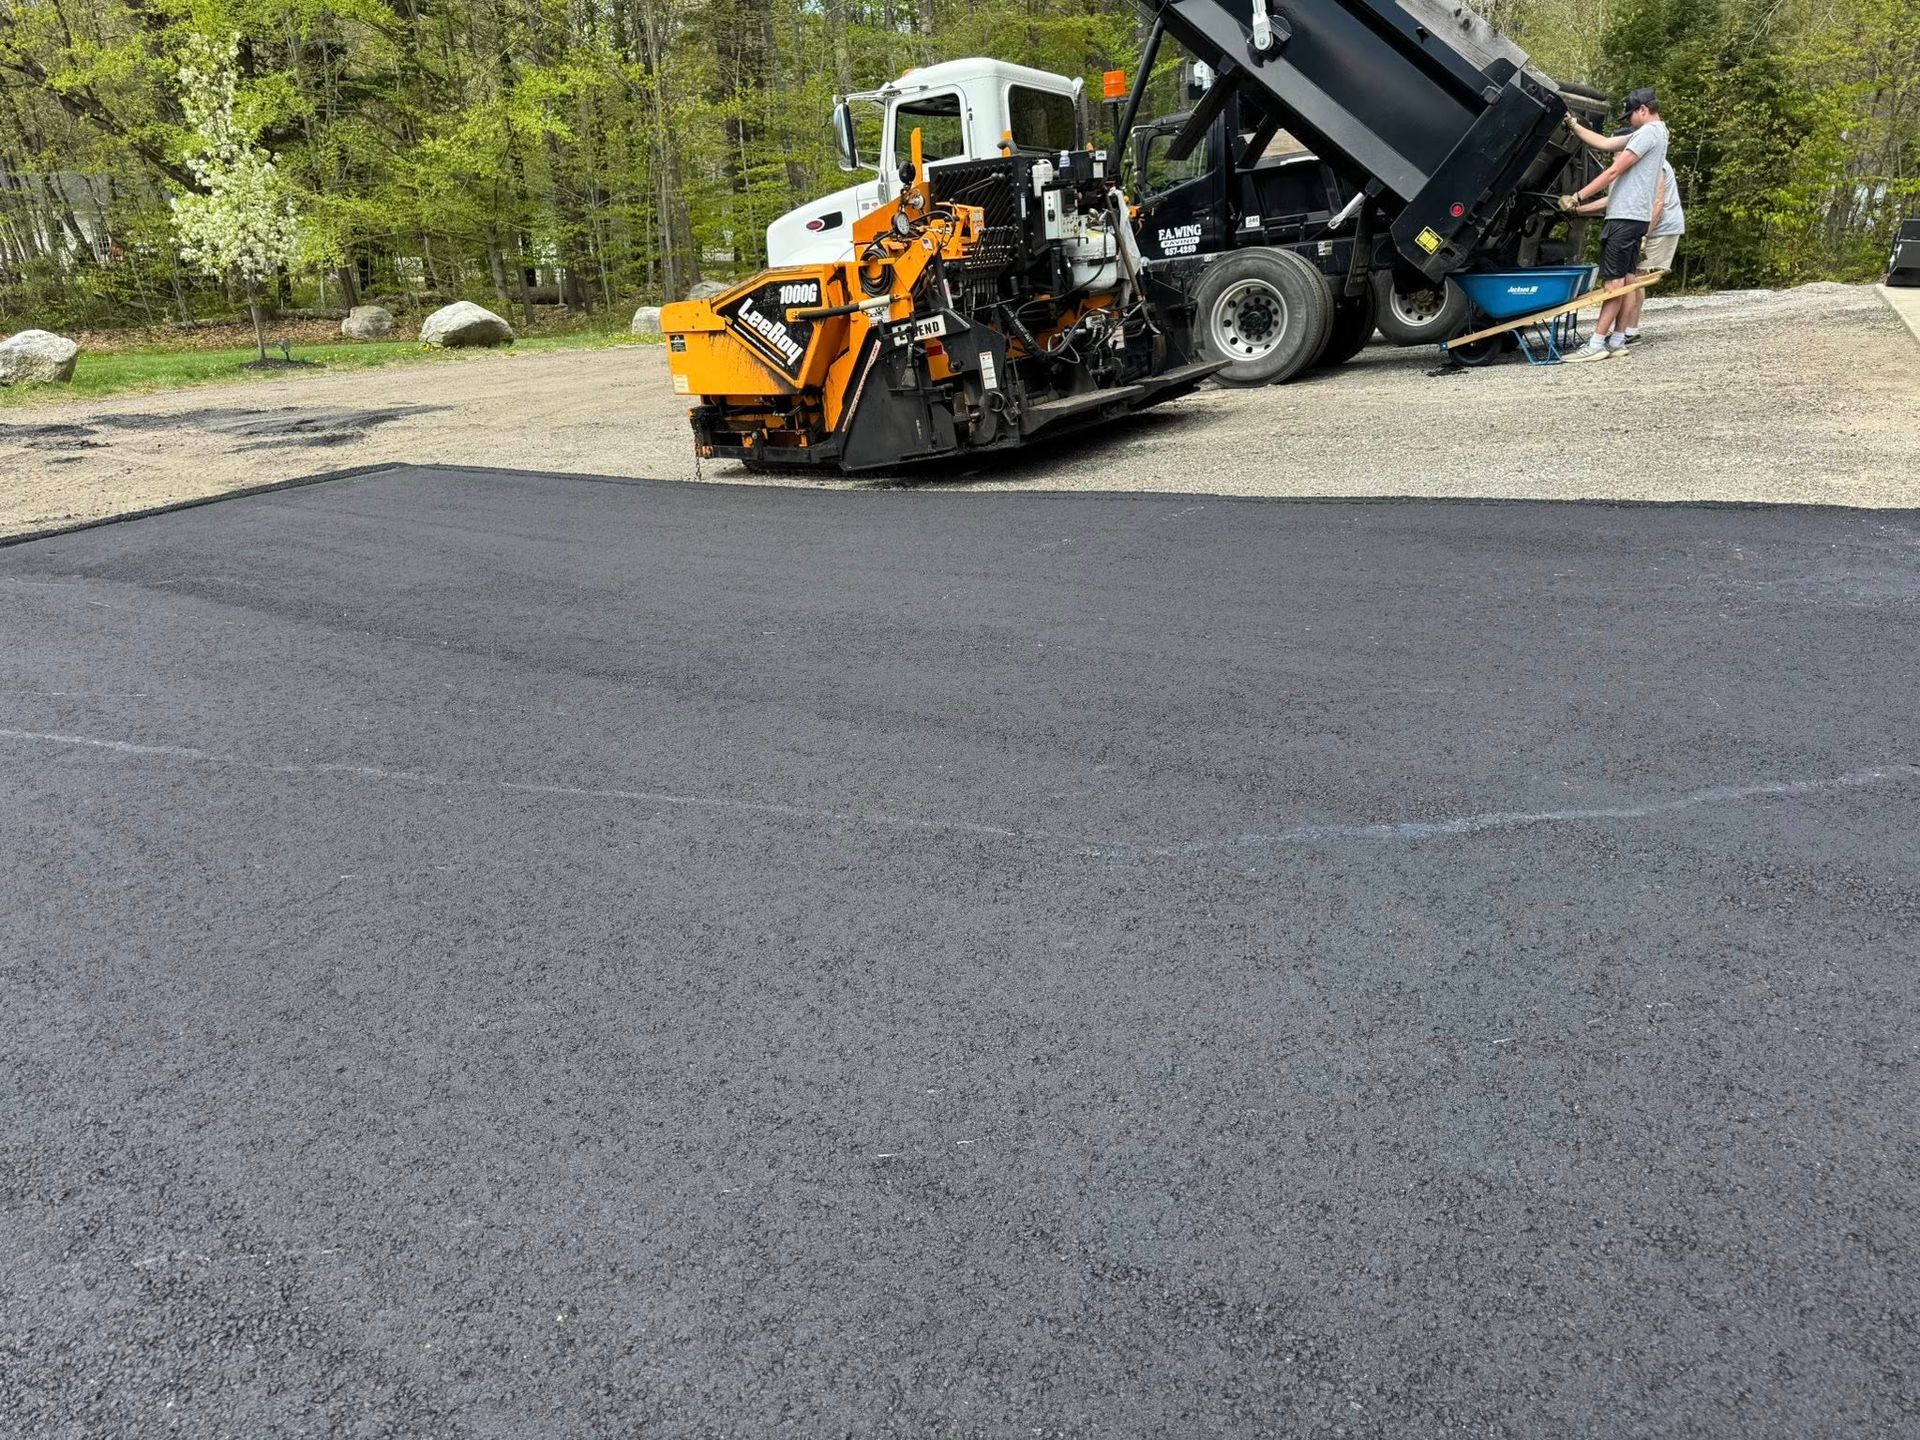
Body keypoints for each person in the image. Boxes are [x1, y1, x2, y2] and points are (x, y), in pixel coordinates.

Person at [1555, 88, 1669, 362]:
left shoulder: (1648, 133)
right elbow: (1606, 143)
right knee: (1627, 281)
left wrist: (1577, 197)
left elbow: (1614, 170)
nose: (1628, 121)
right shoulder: (1657, 132)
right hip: (1635, 218)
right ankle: (1617, 341)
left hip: (1624, 218)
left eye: (1630, 115)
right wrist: (1574, 126)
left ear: (1643, 110)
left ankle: (1596, 344)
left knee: (1613, 283)